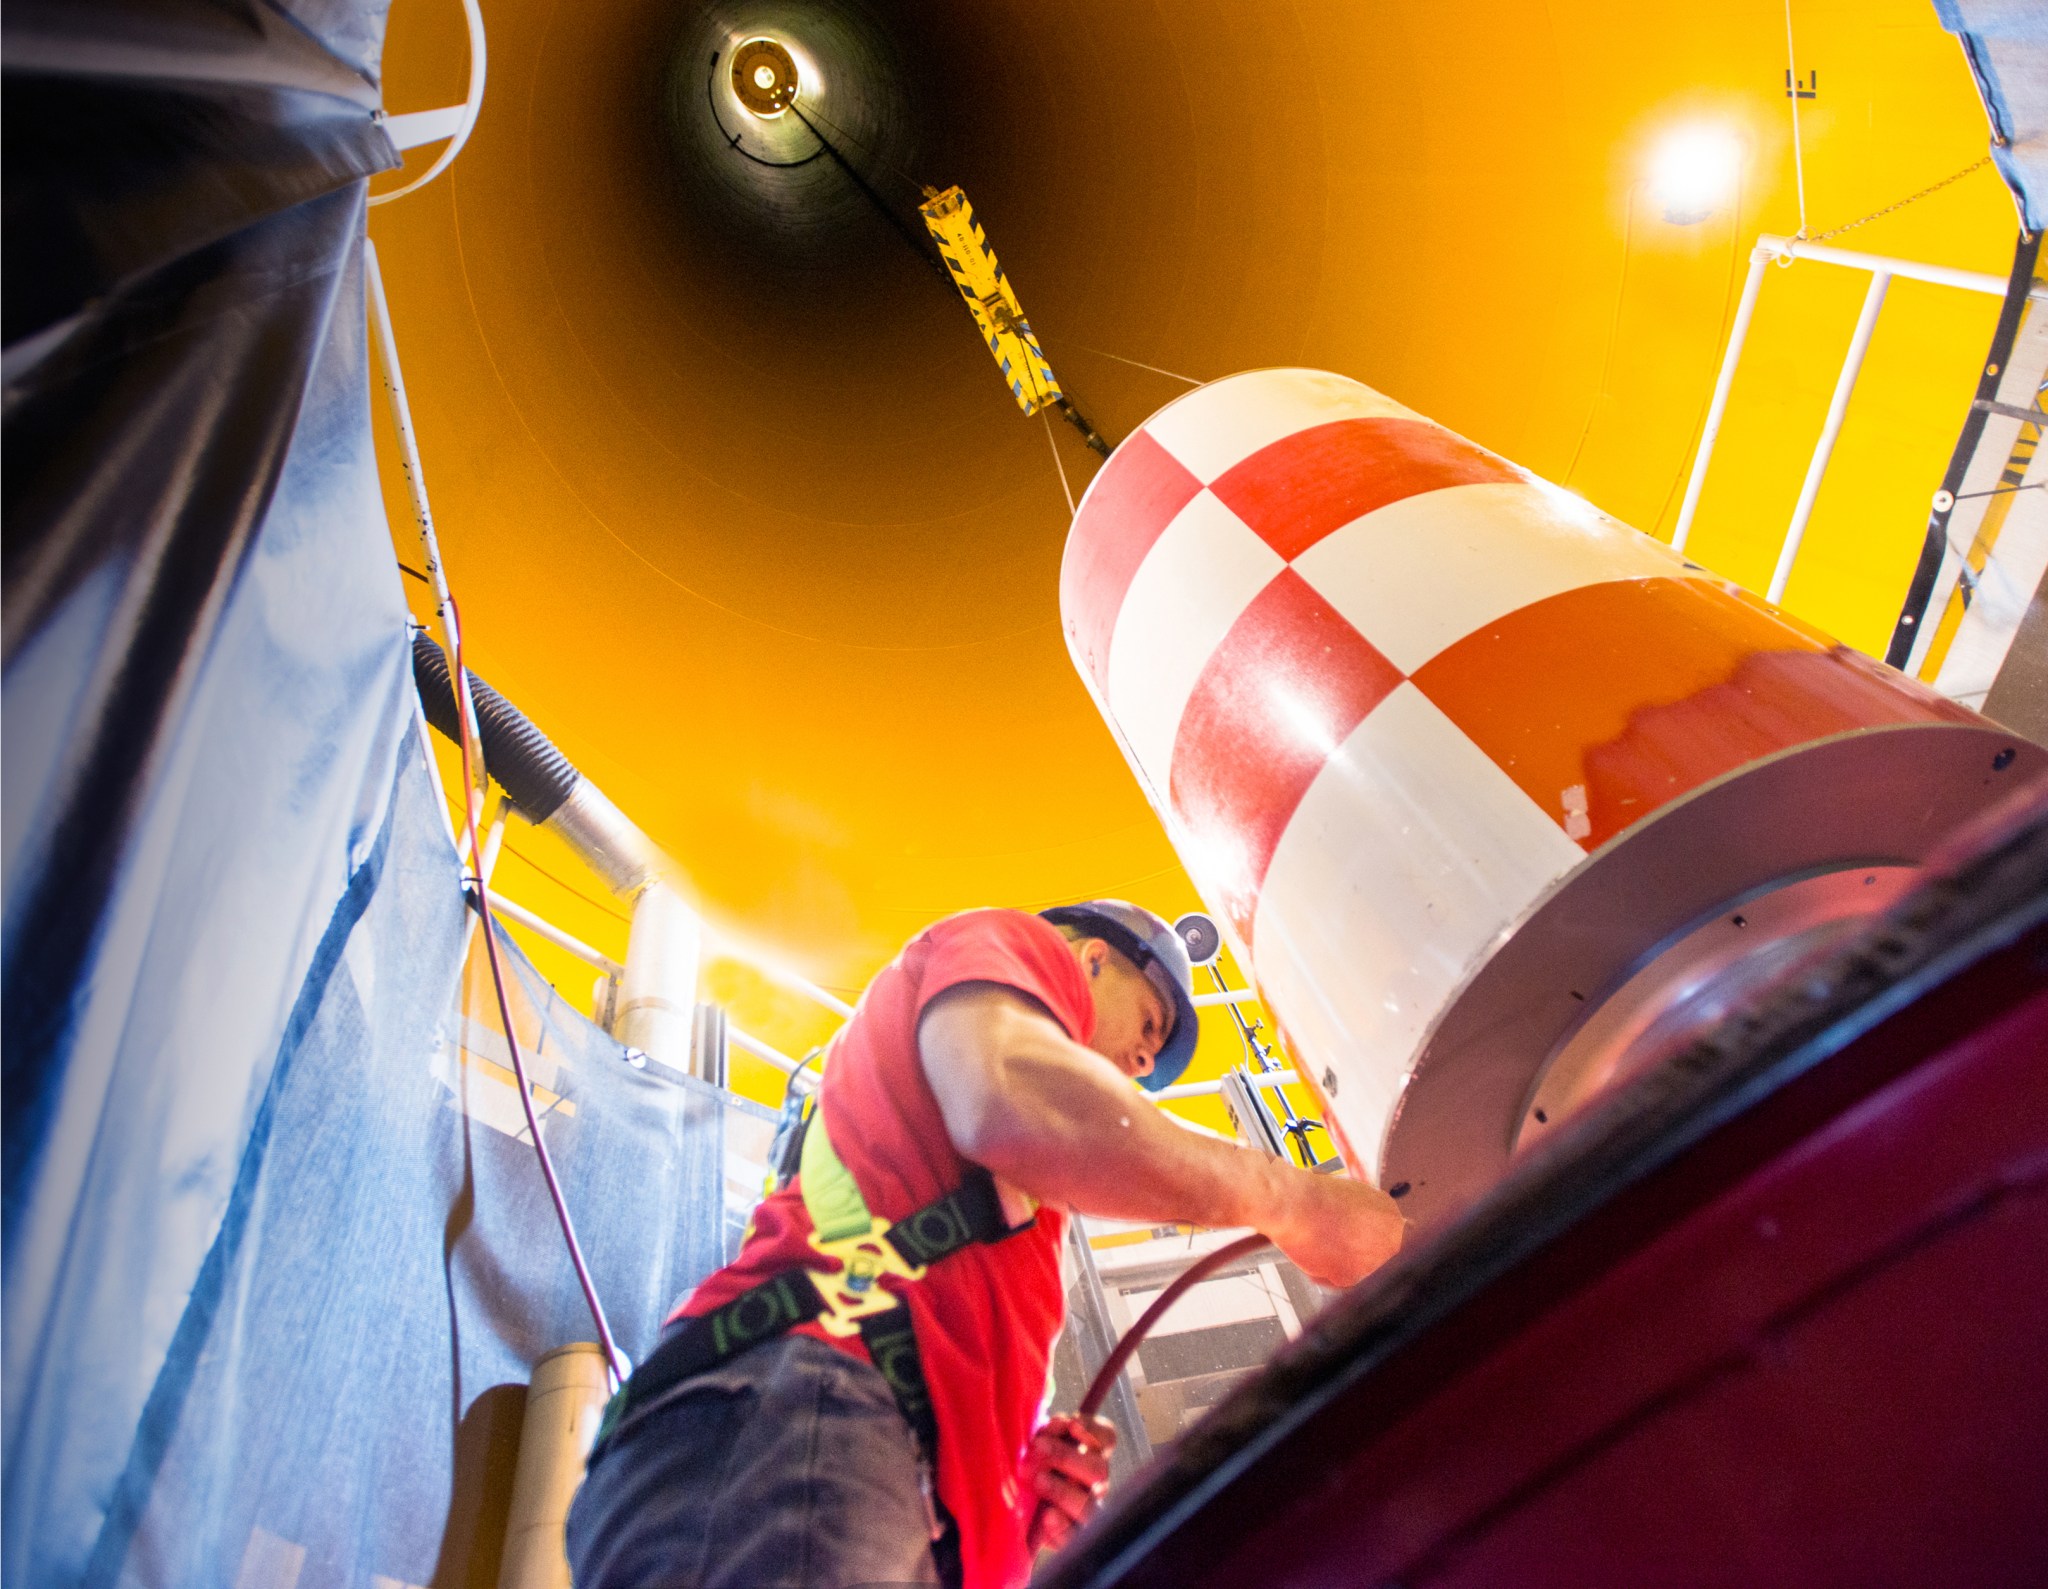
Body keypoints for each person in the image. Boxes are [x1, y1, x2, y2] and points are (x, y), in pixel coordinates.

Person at [567, 901, 1405, 1589]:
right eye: (1150, 1022)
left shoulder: (1021, 1221)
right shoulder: (1009, 946)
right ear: (1088, 959)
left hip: (857, 1472)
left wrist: (1008, 1486)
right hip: (799, 1420)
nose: (1147, 1057)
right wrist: (1296, 1200)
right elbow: (1008, 1098)